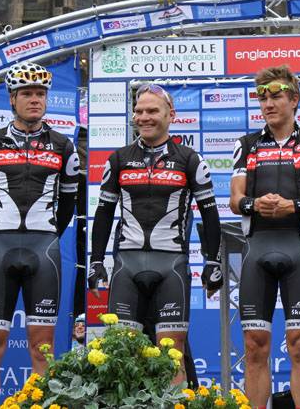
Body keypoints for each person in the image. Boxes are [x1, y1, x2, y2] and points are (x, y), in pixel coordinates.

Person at [88, 83, 222, 385]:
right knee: (123, 355)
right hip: (127, 265)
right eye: (138, 111)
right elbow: (104, 213)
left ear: (170, 114)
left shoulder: (190, 159)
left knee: (172, 355)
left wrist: (213, 263)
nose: (144, 117)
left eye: (152, 110)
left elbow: (210, 214)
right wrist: (97, 262)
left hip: (171, 265)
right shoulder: (118, 158)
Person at [230, 65, 300, 409]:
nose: (268, 103)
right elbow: (235, 200)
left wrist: (294, 206)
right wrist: (256, 204)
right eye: (262, 97)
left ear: (294, 99)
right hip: (257, 250)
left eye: (276, 95)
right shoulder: (246, 144)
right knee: (254, 346)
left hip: (298, 249)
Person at [0, 62, 79, 408]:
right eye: (27, 94)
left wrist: (46, 235)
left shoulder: (64, 147)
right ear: (12, 99)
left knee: (42, 346)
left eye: (40, 94)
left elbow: (67, 207)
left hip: (43, 249)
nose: (35, 100)